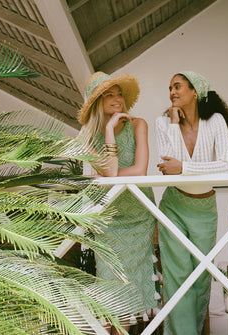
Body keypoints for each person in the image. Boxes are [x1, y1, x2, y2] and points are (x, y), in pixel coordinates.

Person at [77, 71, 158, 334]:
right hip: (108, 219)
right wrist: (110, 130)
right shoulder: (88, 138)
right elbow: (112, 173)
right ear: (97, 103)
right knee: (109, 284)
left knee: (129, 286)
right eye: (108, 95)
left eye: (119, 93)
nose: (116, 99)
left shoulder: (139, 125)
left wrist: (109, 174)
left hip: (137, 217)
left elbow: (140, 171)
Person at [155, 71, 228, 335]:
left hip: (204, 209)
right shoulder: (163, 123)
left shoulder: (216, 122)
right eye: (169, 88)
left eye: (177, 86)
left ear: (194, 91)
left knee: (200, 279)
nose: (172, 93)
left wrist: (185, 168)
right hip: (174, 205)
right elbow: (169, 167)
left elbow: (227, 166)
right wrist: (174, 125)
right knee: (177, 277)